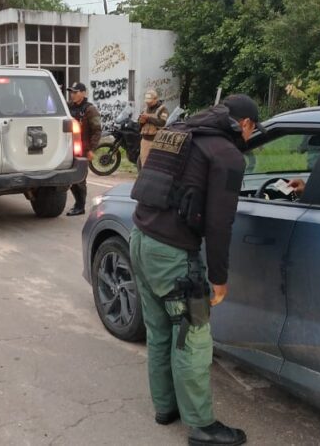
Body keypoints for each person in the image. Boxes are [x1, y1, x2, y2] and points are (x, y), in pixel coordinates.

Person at [128, 95, 257, 446]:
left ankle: (165, 407)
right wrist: (219, 277)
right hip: (172, 255)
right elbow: (219, 223)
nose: (250, 136)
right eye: (253, 130)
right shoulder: (227, 154)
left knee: (159, 332)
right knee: (192, 338)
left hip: (139, 239)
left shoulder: (178, 132)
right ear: (245, 124)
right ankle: (201, 426)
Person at [65, 82, 102, 216]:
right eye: (71, 92)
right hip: (68, 148)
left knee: (79, 179)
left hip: (83, 149)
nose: (72, 95)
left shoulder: (90, 109)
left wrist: (92, 149)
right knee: (71, 178)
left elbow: (97, 131)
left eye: (76, 92)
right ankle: (78, 204)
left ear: (83, 93)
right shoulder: (68, 107)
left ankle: (80, 206)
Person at [137, 89, 170, 167]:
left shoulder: (162, 109)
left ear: (156, 99)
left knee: (155, 163)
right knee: (144, 162)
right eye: (147, 102)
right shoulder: (144, 109)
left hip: (156, 141)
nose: (148, 104)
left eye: (150, 102)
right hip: (145, 140)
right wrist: (141, 122)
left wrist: (148, 119)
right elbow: (140, 126)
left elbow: (162, 123)